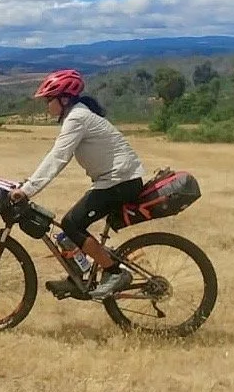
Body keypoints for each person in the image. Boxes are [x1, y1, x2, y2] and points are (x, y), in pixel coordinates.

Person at [9, 68, 147, 300]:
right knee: (70, 227)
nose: (47, 105)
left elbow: (58, 157)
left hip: (120, 181)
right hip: (117, 180)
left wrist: (27, 190)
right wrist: (29, 184)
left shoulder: (77, 118)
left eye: (49, 100)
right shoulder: (78, 115)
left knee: (71, 224)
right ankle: (79, 277)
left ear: (64, 99)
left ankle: (114, 273)